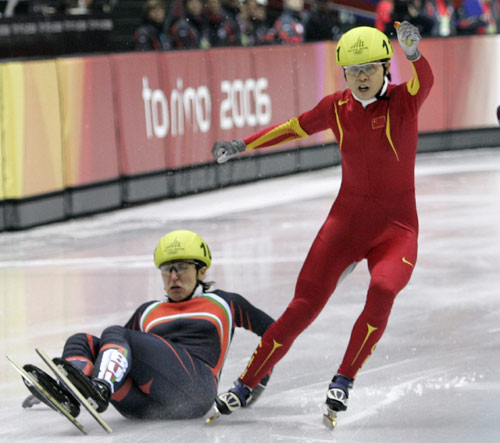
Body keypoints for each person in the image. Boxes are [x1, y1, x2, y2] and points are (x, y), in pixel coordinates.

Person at [210, 22, 434, 422]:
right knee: (301, 308)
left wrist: (414, 53)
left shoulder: (403, 102)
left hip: (397, 230)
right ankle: (245, 384)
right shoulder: (336, 106)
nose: (362, 77)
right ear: (344, 74)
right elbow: (293, 127)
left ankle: (344, 379)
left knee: (383, 288)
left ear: (386, 67)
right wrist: (242, 145)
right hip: (345, 226)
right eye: (353, 70)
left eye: (369, 68)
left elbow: (426, 80)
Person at [20, 230, 274, 420]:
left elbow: (277, 335)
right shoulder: (149, 311)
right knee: (82, 341)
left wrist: (251, 385)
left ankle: (100, 386)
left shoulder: (224, 303)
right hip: (144, 406)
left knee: (118, 334)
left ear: (202, 271)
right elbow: (114, 351)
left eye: (182, 268)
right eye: (167, 269)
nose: (173, 276)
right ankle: (69, 391)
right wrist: (65, 379)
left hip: (195, 393)